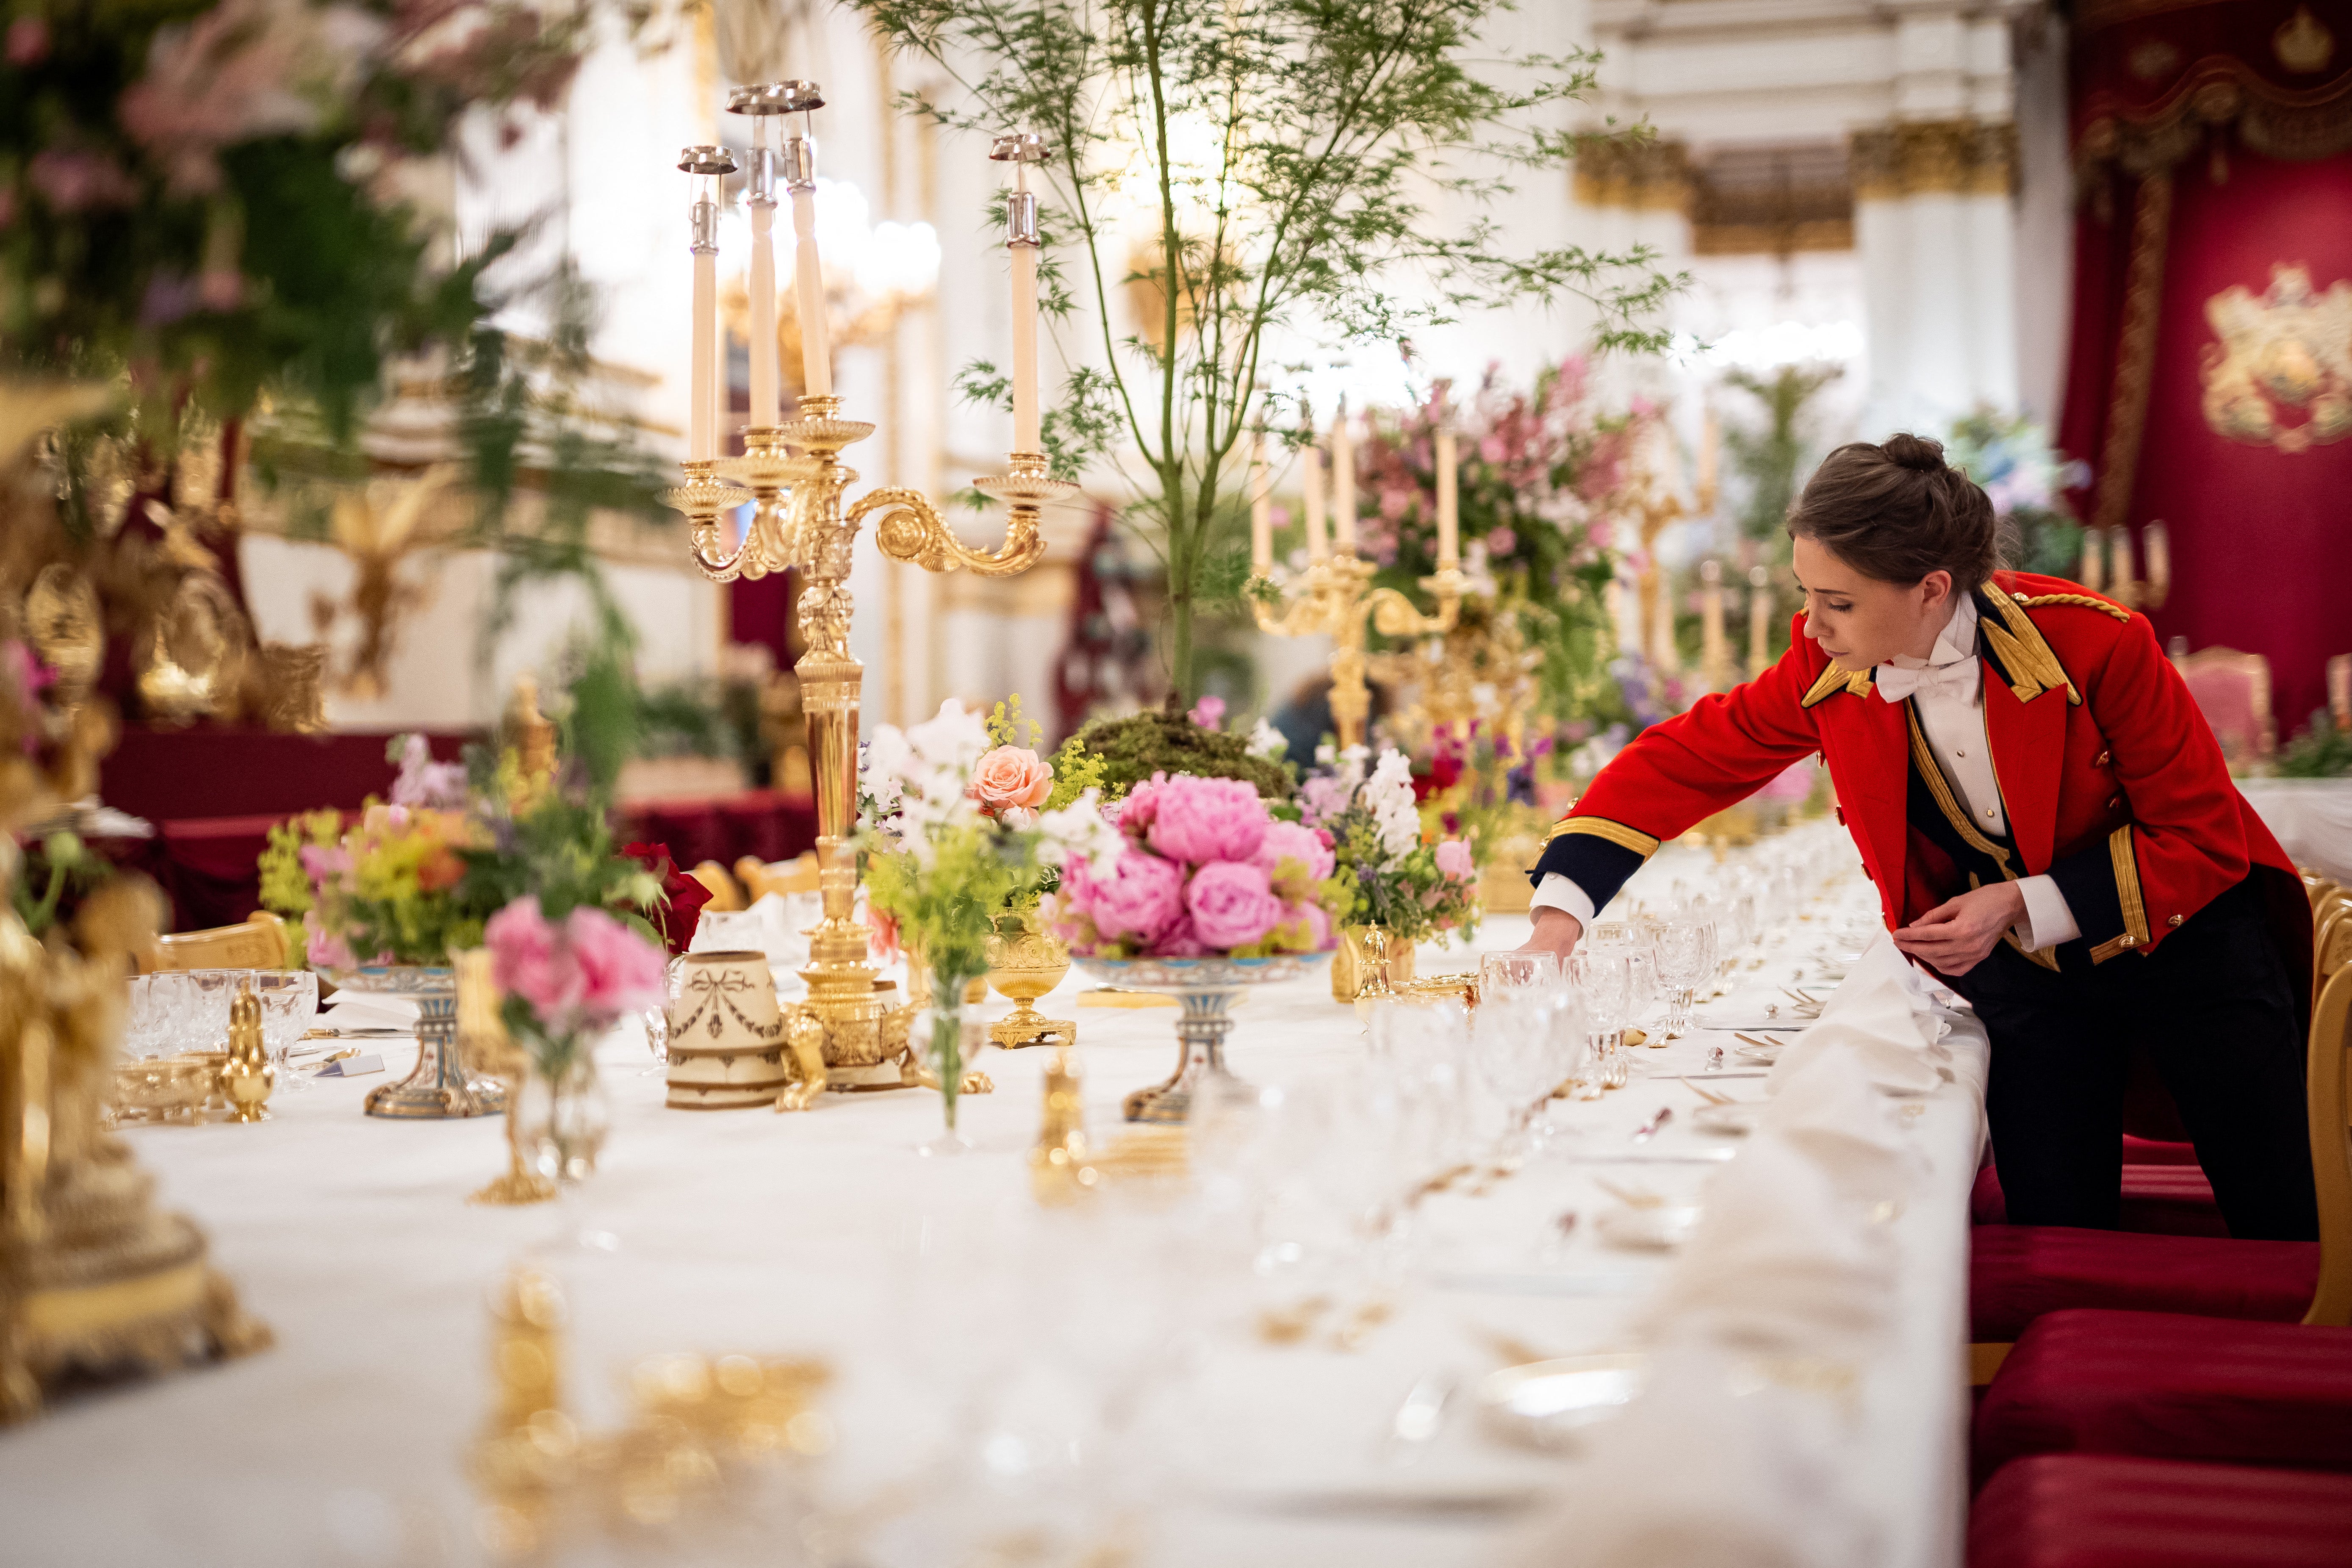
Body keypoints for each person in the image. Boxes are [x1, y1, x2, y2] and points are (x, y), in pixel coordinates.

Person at [1519, 434, 2318, 1240]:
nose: (1812, 624)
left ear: (1932, 588)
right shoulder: (1827, 662)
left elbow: (2200, 836)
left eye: (1838, 601)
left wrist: (2018, 900)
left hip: (2192, 953)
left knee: (2287, 1224)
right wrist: (1560, 919)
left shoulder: (2097, 643)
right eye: (1805, 594)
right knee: (2056, 1241)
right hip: (2034, 994)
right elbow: (1686, 761)